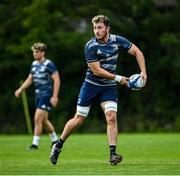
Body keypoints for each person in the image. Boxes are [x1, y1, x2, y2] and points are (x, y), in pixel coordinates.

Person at [50, 15, 147, 165]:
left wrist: (143, 72)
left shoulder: (117, 40)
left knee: (111, 117)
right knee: (78, 119)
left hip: (108, 88)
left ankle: (113, 154)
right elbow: (97, 71)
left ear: (108, 28)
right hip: (91, 86)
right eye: (95, 28)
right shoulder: (91, 46)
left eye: (100, 27)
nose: (97, 31)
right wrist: (119, 78)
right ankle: (58, 145)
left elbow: (137, 52)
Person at [15, 42, 60, 150]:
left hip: (46, 94)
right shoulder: (34, 64)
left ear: (43, 53)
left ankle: (34, 144)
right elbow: (30, 79)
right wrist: (21, 89)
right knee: (43, 120)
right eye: (33, 52)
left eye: (37, 52)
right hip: (38, 95)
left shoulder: (49, 64)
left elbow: (57, 79)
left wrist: (54, 96)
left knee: (37, 118)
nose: (34, 54)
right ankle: (55, 141)